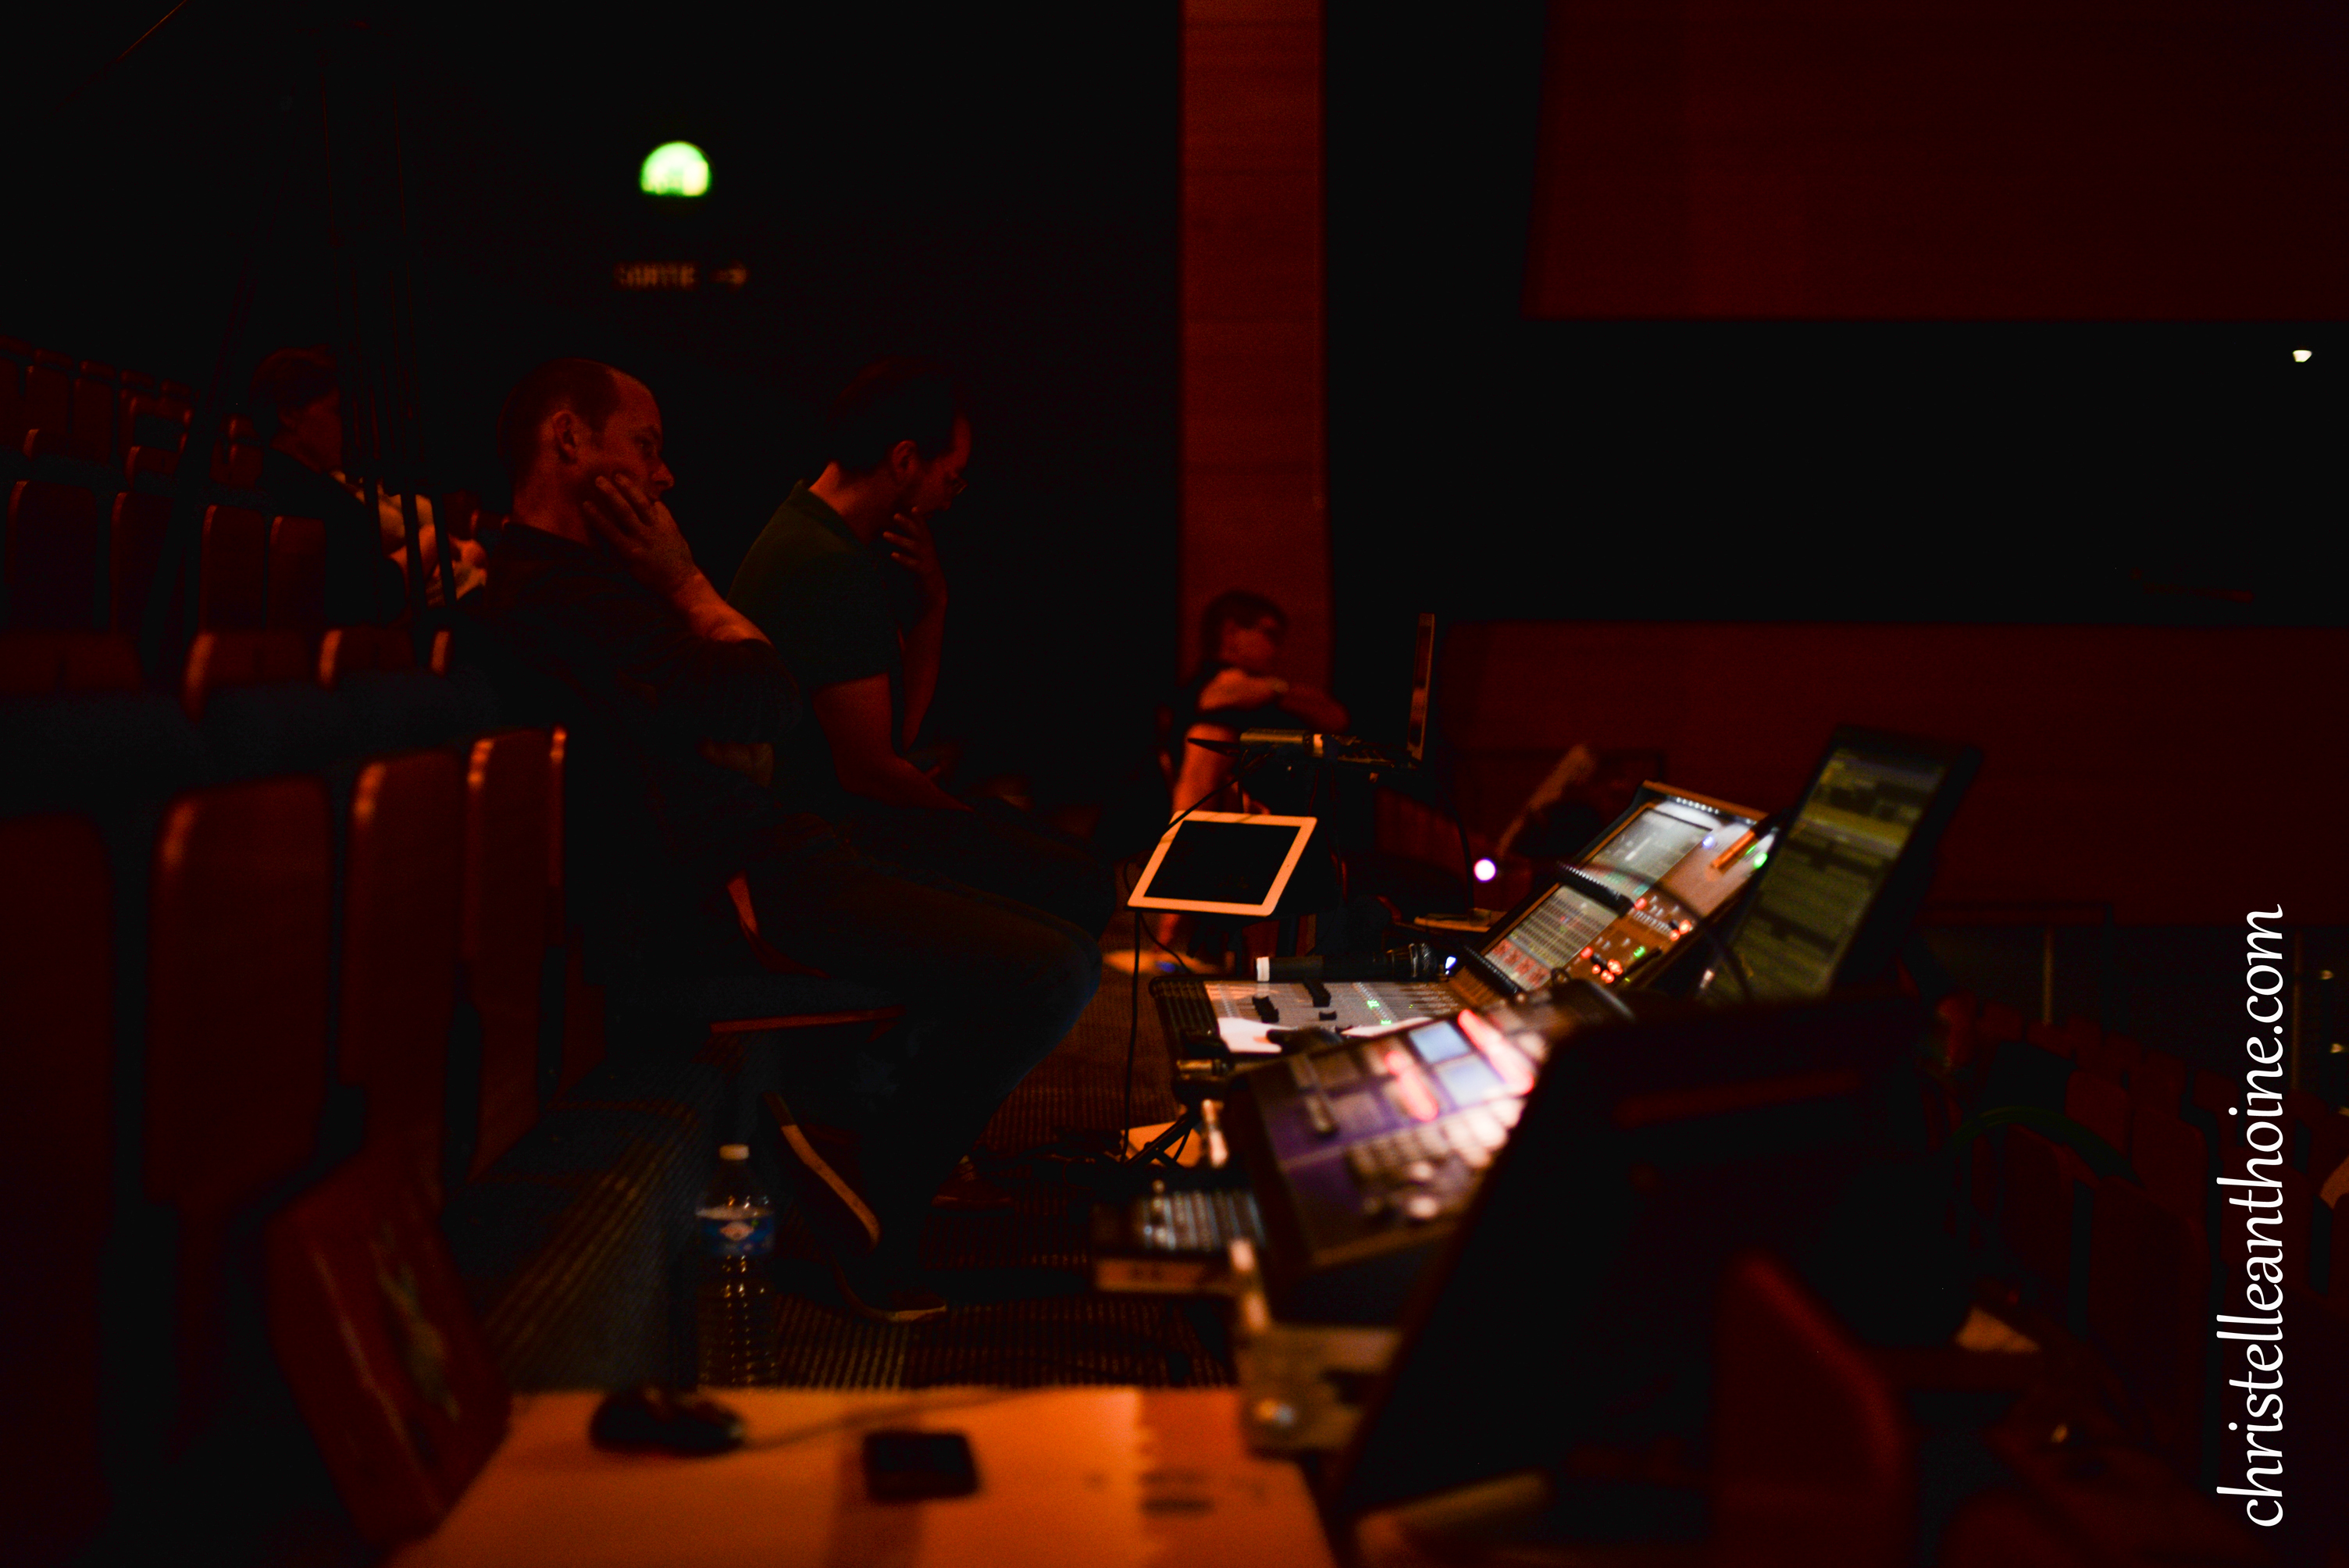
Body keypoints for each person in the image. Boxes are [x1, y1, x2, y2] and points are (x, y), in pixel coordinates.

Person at [462, 358, 1100, 1323]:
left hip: (770, 852)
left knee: (1055, 922)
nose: (665, 475)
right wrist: (686, 582)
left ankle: (858, 1153)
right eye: (646, 446)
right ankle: (868, 1206)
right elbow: (763, 701)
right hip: (735, 891)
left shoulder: (593, 583)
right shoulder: (561, 597)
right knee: (1053, 968)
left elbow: (748, 713)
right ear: (569, 440)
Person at [727, 358, 1114, 937]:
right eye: (951, 478)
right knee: (1078, 882)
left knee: (1074, 862)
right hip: (829, 844)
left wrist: (935, 603)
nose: (950, 500)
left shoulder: (825, 539)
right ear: (905, 460)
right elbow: (871, 771)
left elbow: (897, 734)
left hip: (850, 820)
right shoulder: (824, 564)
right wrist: (965, 819)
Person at [249, 345, 483, 618]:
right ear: (290, 415)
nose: (351, 427)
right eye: (337, 412)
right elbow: (373, 598)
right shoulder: (307, 498)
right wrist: (432, 539)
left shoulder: (290, 487)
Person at [1165, 590, 1349, 815]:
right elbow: (1217, 697)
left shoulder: (1267, 694)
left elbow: (1337, 719)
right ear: (1230, 632)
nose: (1277, 649)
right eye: (1270, 634)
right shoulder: (1213, 694)